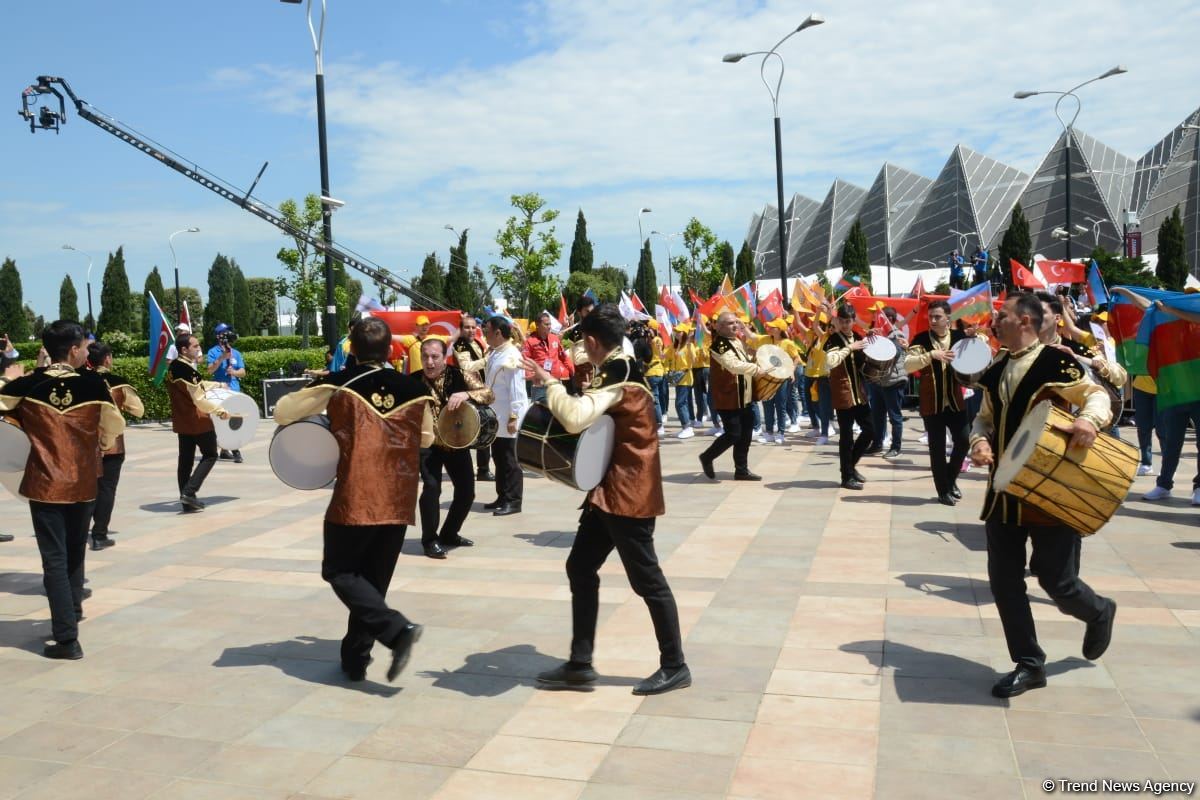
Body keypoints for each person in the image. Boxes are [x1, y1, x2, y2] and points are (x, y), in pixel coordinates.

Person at [524, 303, 690, 696]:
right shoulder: (622, 364)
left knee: (647, 580)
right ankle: (580, 664)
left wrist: (549, 382)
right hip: (610, 491)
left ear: (594, 342)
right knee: (580, 566)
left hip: (627, 493)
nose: (584, 348)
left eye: (584, 342)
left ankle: (675, 664)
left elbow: (576, 417)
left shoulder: (620, 371)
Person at [969, 294, 1116, 698]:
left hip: (1050, 487)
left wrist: (1088, 419)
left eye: (1003, 316)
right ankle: (1029, 663)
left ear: (1026, 322)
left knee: (1057, 580)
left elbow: (1097, 395)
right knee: (1004, 580)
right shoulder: (997, 366)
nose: (995, 321)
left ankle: (1099, 611)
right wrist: (979, 442)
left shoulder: (1057, 362)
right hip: (1004, 492)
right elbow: (983, 417)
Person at [274, 317, 430, 682]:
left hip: (356, 495)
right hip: (400, 495)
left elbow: (283, 411)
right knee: (371, 583)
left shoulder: (340, 383)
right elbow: (426, 438)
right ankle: (355, 659)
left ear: (353, 350)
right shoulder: (413, 387)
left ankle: (395, 629)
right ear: (391, 350)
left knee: (339, 570)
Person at [0, 321, 125, 660]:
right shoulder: (94, 384)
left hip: (44, 484)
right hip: (84, 481)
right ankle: (72, 613)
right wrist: (97, 443)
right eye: (85, 346)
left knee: (53, 559)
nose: (87, 351)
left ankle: (67, 638)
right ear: (73, 350)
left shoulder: (26, 385)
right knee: (74, 552)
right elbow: (113, 425)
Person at [413, 338, 494, 559]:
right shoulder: (412, 381)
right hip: (427, 446)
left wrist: (466, 394)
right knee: (431, 489)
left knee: (467, 492)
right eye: (425, 357)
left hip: (456, 443)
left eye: (435, 357)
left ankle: (449, 533)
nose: (429, 362)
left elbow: (488, 394)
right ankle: (429, 540)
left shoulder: (459, 375)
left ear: (445, 357)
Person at [905, 300, 972, 505]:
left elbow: (976, 359)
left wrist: (977, 340)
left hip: (954, 401)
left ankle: (950, 480)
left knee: (963, 441)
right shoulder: (921, 339)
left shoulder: (960, 338)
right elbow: (907, 365)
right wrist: (931, 355)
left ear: (948, 319)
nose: (933, 320)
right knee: (937, 448)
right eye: (931, 316)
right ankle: (943, 491)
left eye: (937, 317)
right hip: (931, 402)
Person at [85, 342, 145, 550]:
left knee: (88, 487)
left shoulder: (80, 380)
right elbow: (139, 410)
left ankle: (80, 527)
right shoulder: (117, 383)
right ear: (107, 358)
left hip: (87, 443)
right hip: (113, 445)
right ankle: (100, 534)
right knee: (107, 488)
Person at [167, 332, 231, 511]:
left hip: (182, 420)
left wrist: (218, 385)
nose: (199, 349)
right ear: (184, 349)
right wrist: (219, 410)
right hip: (197, 419)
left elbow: (198, 385)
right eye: (195, 346)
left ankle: (186, 501)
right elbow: (199, 399)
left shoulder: (174, 367)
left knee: (185, 460)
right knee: (211, 454)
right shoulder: (187, 370)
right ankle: (189, 492)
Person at [699, 311, 765, 481]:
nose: (735, 325)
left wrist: (758, 356)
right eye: (730, 323)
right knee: (733, 434)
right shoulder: (718, 345)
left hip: (745, 395)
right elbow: (733, 365)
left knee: (746, 434)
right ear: (719, 326)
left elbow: (747, 358)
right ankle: (707, 456)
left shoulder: (737, 341)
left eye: (736, 322)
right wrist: (757, 370)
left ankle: (741, 470)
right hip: (728, 397)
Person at [825, 303, 875, 490]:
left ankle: (850, 466)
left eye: (849, 321)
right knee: (846, 436)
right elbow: (831, 361)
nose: (846, 325)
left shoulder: (859, 337)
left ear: (854, 321)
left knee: (870, 430)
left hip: (859, 393)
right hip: (843, 393)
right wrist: (849, 348)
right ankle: (846, 476)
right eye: (842, 321)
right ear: (838, 321)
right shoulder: (832, 340)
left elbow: (865, 361)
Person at [482, 316, 528, 516]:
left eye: (487, 331)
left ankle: (513, 500)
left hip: (508, 416)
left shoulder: (511, 355)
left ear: (498, 333)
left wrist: (514, 416)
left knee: (510, 461)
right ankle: (502, 495)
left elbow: (517, 390)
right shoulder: (496, 353)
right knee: (499, 458)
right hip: (496, 416)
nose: (485, 335)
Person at [453, 314, 493, 481]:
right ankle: (466, 470)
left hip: (480, 390)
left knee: (485, 428)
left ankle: (483, 469)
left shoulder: (477, 342)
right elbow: (466, 366)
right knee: (468, 431)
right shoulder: (460, 345)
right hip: (467, 392)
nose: (471, 330)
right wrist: (487, 360)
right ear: (461, 330)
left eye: (473, 327)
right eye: (467, 327)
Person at [865, 307, 909, 459]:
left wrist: (883, 340)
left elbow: (894, 353)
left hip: (893, 381)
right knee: (877, 415)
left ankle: (896, 447)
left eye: (881, 317)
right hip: (878, 381)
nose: (878, 319)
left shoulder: (897, 334)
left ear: (889, 319)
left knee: (894, 416)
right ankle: (877, 444)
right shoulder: (879, 334)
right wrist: (870, 338)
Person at [205, 323, 247, 463]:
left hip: (234, 391)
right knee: (225, 420)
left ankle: (224, 450)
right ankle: (235, 450)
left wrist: (234, 372)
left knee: (235, 420)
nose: (229, 334)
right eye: (226, 332)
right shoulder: (213, 352)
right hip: (221, 392)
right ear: (219, 336)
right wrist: (222, 357)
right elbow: (209, 370)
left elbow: (243, 372)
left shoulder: (236, 353)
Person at [522, 311, 573, 403]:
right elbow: (525, 361)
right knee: (539, 414)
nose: (549, 326)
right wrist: (531, 376)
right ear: (538, 325)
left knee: (557, 413)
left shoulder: (555, 338)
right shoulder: (530, 342)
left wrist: (571, 370)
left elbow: (563, 356)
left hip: (556, 383)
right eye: (546, 324)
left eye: (550, 324)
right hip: (540, 385)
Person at [663, 324, 697, 439]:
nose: (677, 333)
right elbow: (665, 356)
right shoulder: (675, 346)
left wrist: (689, 345)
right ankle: (685, 427)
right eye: (676, 331)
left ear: (685, 333)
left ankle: (687, 427)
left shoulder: (689, 346)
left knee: (680, 403)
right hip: (678, 378)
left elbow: (694, 360)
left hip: (686, 378)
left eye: (679, 331)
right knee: (682, 403)